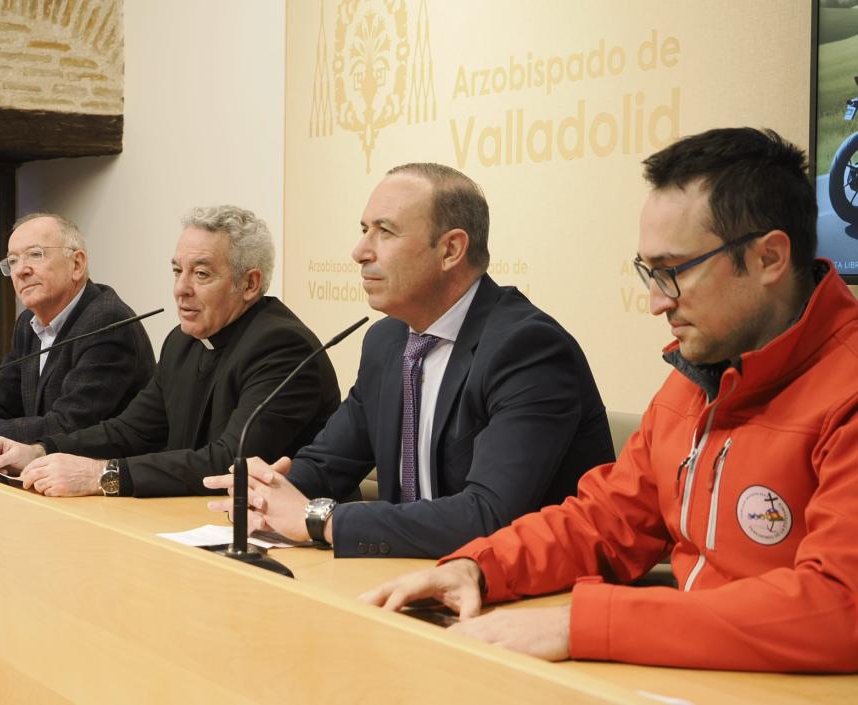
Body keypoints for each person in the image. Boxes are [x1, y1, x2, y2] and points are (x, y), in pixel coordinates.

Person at [360, 128, 858, 673]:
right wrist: (478, 568)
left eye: (674, 271)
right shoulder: (697, 382)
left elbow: (839, 606)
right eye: (649, 273)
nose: (656, 302)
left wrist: (581, 623)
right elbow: (605, 520)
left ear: (769, 258)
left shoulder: (845, 387)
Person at [204, 163, 614, 558]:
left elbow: (489, 516)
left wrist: (320, 520)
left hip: (530, 589)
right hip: (414, 572)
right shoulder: (387, 341)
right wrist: (267, 492)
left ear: (450, 249)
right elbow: (329, 463)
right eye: (364, 230)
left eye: (385, 232)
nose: (359, 252)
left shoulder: (527, 348)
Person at [0, 205, 341, 498]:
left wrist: (103, 475)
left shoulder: (282, 347)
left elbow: (231, 460)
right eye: (177, 271)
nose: (181, 288)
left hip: (281, 536)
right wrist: (41, 449)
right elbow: (130, 430)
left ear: (249, 284)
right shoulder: (182, 342)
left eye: (201, 274)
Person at [0, 213, 155, 453]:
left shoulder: (108, 322)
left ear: (77, 264)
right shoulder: (28, 323)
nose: (20, 271)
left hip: (101, 472)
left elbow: (67, 426)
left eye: (35, 254)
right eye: (12, 261)